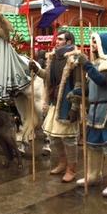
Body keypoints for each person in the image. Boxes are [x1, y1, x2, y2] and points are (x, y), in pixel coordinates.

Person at [76, 32, 107, 197]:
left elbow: (102, 82)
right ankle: (93, 175)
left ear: (105, 44)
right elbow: (91, 88)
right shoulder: (94, 64)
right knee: (93, 146)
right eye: (92, 42)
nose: (93, 45)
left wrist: (87, 65)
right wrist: (77, 92)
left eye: (96, 42)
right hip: (94, 111)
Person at [29, 30, 80, 183]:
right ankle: (62, 163)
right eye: (56, 39)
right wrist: (37, 70)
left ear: (69, 42)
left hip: (67, 101)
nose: (56, 41)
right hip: (54, 100)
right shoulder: (52, 57)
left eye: (60, 39)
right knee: (54, 137)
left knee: (69, 138)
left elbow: (78, 84)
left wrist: (75, 107)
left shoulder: (75, 59)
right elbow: (48, 77)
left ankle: (72, 168)